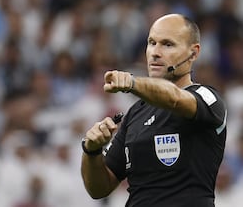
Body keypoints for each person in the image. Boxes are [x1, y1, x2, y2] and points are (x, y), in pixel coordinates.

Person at [81, 14, 227, 207]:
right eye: (152, 43)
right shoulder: (136, 112)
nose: (155, 52)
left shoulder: (207, 98)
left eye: (168, 44)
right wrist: (92, 151)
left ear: (193, 53)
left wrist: (133, 83)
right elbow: (99, 189)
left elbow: (174, 98)